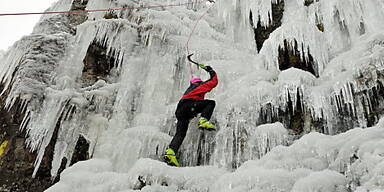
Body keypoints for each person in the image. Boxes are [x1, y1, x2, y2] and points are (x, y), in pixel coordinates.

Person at [163, 65, 218, 166]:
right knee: (211, 103)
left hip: (180, 111)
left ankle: (171, 152)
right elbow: (213, 82)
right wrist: (210, 70)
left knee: (180, 134)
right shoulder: (198, 86)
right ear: (198, 82)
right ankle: (203, 120)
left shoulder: (189, 90)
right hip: (189, 105)